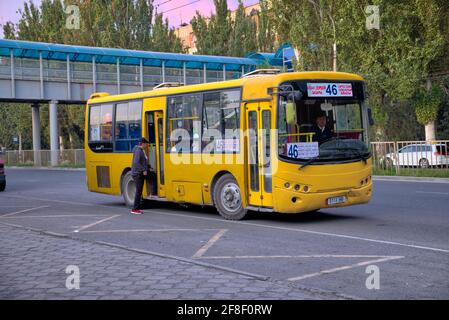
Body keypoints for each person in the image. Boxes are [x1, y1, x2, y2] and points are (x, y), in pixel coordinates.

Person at [131, 137, 149, 215]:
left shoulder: (140, 150)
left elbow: (142, 161)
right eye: (146, 144)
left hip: (138, 173)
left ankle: (151, 193)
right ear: (143, 144)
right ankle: (135, 209)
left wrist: (147, 167)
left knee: (151, 177)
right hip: (138, 174)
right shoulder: (139, 151)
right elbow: (136, 163)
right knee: (138, 191)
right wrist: (143, 170)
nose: (146, 145)